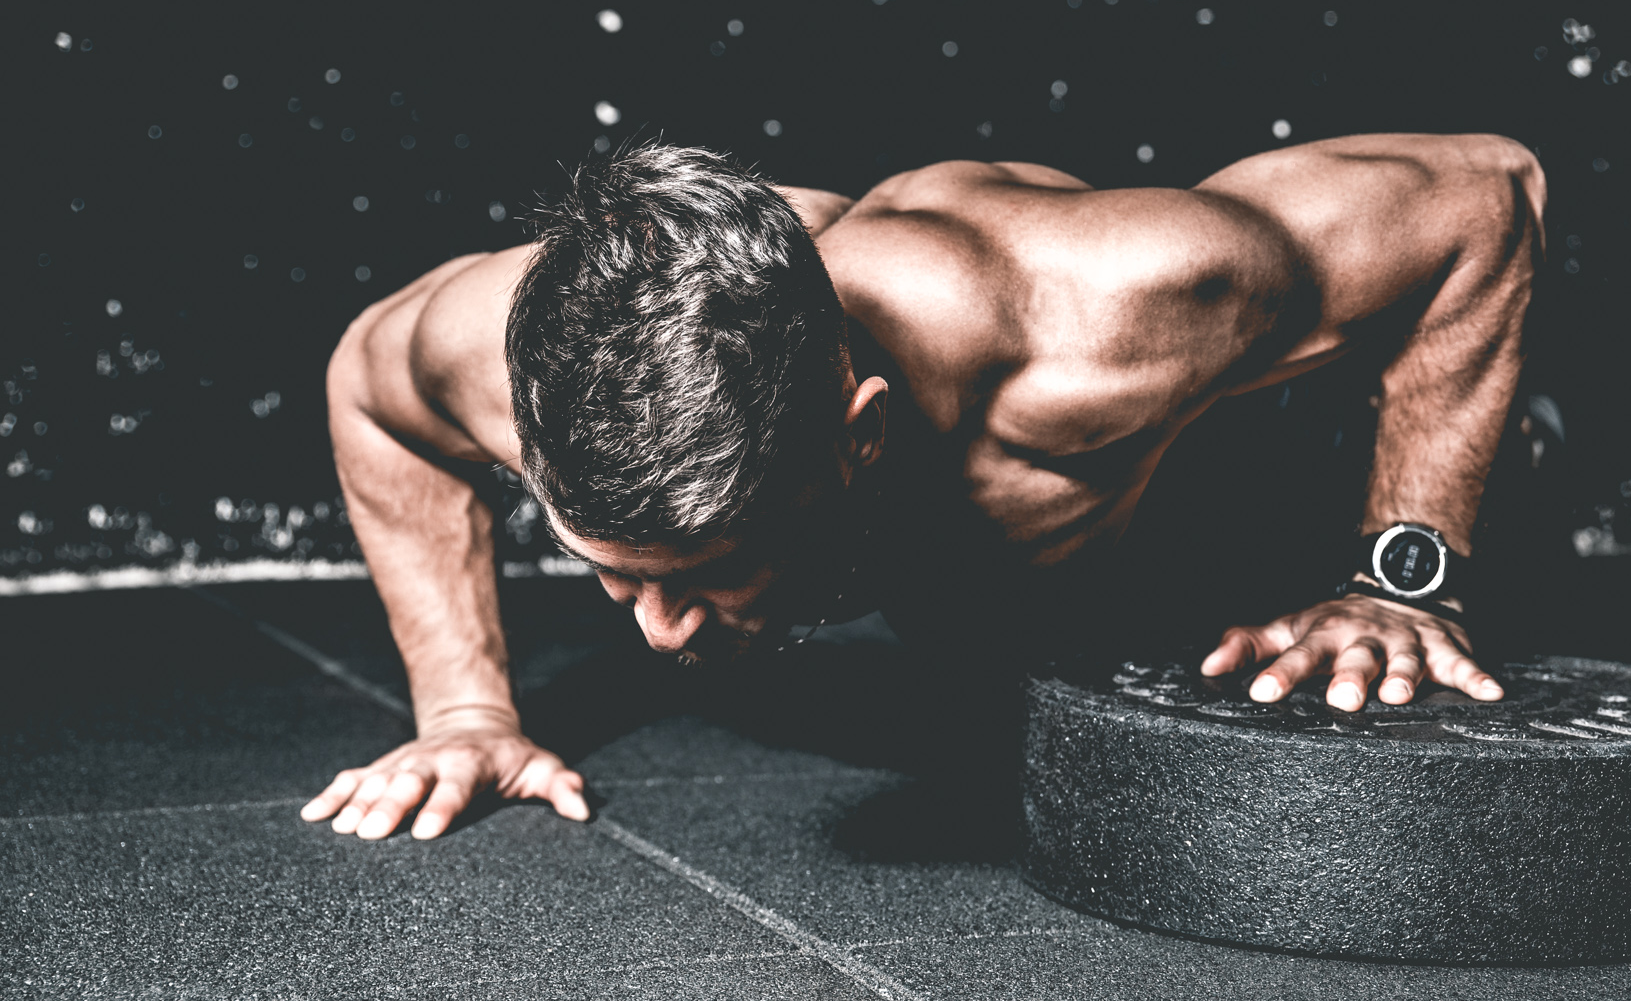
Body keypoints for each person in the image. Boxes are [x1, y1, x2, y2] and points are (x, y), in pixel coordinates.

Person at [303, 135, 1545, 841]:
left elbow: (1486, 194)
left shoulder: (1115, 315)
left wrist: (1398, 578)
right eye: (607, 570)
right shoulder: (494, 348)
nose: (658, 633)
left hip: (1186, 526)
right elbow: (367, 387)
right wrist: (466, 709)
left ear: (860, 434)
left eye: (712, 569)